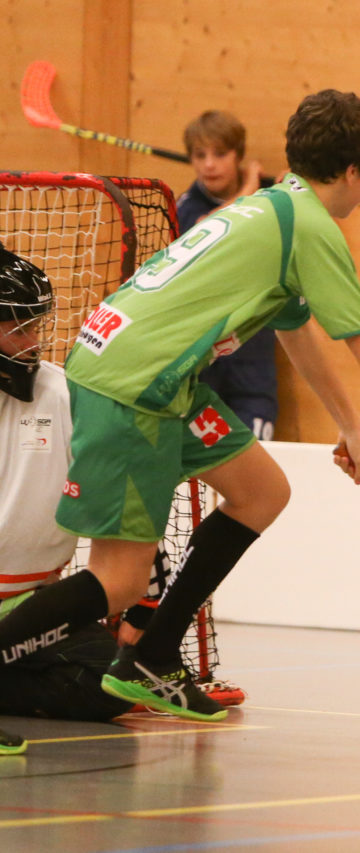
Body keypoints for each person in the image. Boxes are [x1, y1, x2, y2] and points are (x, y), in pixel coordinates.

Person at [0, 90, 360, 726]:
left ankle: (154, 657)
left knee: (261, 491)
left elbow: (295, 329)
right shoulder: (312, 225)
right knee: (120, 579)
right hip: (134, 384)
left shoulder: (274, 209)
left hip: (156, 376)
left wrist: (353, 429)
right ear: (353, 171)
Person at [0, 247, 132, 757]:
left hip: (32, 607)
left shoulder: (64, 393)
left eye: (37, 326)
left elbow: (118, 498)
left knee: (110, 680)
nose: (33, 342)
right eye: (18, 329)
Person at [178, 110, 280, 440]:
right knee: (207, 464)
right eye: (200, 155)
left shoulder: (270, 192)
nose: (209, 165)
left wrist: (293, 184)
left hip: (253, 344)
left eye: (220, 154)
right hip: (204, 348)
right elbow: (214, 227)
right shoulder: (187, 206)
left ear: (238, 155)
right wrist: (251, 183)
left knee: (258, 459)